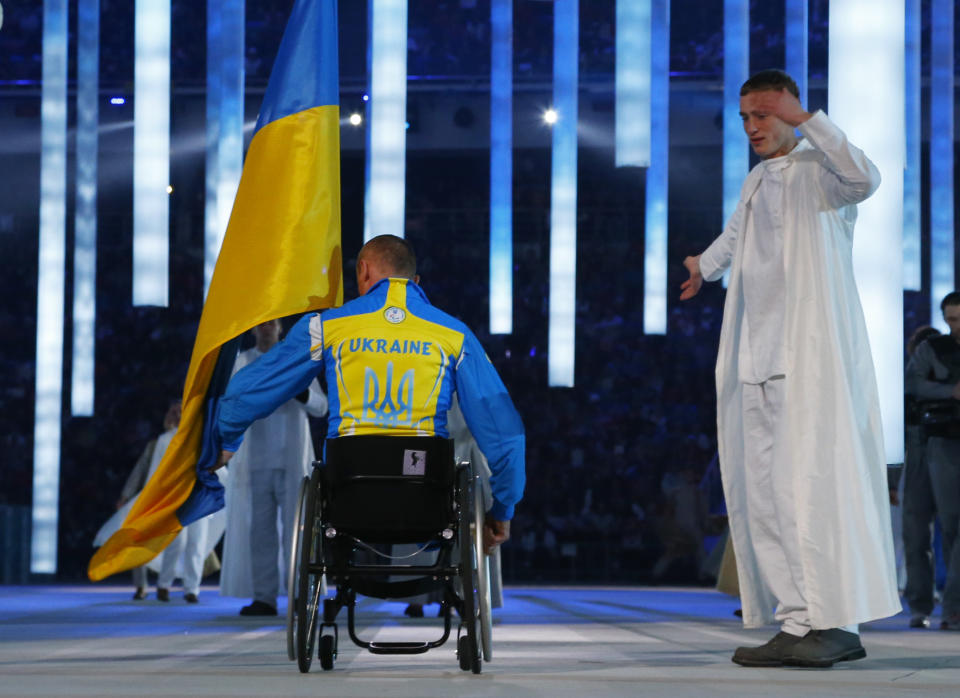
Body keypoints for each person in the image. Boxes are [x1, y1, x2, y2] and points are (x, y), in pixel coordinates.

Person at [680, 69, 900, 667]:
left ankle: (832, 621)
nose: (752, 127)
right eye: (746, 117)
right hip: (759, 357)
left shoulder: (823, 171)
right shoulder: (757, 181)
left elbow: (866, 177)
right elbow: (735, 236)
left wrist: (809, 122)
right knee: (769, 495)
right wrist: (706, 266)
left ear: (790, 111)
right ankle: (799, 620)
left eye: (764, 115)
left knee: (812, 491)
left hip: (810, 360)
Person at [215, 235, 525, 574]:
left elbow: (252, 387)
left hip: (349, 493)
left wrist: (225, 438)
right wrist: (503, 508)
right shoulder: (455, 335)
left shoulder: (327, 327)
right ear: (415, 282)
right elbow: (504, 432)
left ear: (362, 271)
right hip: (425, 494)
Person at [218, 319, 329, 616]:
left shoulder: (295, 359)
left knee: (297, 531)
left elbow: (321, 406)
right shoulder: (242, 362)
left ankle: (299, 594)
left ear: (281, 328)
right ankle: (264, 597)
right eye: (262, 324)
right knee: (260, 533)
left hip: (292, 458)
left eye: (273, 323)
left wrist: (299, 391)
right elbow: (229, 402)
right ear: (253, 328)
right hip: (256, 458)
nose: (267, 328)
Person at [905, 295, 960, 631]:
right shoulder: (933, 347)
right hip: (928, 442)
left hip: (949, 446)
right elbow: (913, 384)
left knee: (954, 529)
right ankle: (920, 605)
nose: (956, 325)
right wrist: (951, 391)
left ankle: (952, 608)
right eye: (951, 318)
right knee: (915, 532)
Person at [901, 324, 942, 628]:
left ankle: (933, 605)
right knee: (916, 536)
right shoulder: (904, 387)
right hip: (915, 451)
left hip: (943, 445)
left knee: (936, 534)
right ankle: (923, 605)